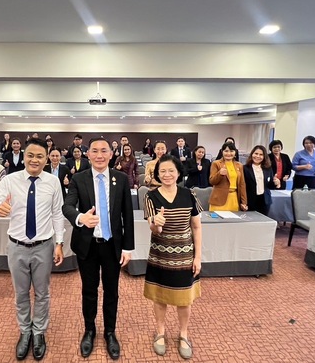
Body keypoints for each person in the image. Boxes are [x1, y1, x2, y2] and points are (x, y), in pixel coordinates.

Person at [0, 138, 65, 361]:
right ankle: (25, 331)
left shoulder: (53, 182)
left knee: (42, 293)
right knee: (21, 294)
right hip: (17, 247)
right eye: (30, 155)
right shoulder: (10, 181)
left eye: (40, 156)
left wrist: (59, 243)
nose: (34, 160)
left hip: (43, 247)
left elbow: (57, 214)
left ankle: (38, 332)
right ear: (23, 157)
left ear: (46, 159)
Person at [62, 138, 135, 360]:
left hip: (112, 246)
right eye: (95, 151)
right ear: (88, 154)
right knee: (89, 290)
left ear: (111, 154)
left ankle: (110, 332)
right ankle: (89, 330)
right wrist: (80, 218)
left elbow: (127, 215)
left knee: (112, 292)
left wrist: (128, 247)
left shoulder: (120, 179)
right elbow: (67, 206)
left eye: (104, 151)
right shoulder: (79, 178)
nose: (100, 155)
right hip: (88, 246)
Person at [144, 155, 202, 359]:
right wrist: (156, 222)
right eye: (162, 171)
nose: (167, 174)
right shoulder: (150, 196)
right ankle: (160, 332)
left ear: (178, 173)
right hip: (160, 255)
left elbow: (196, 227)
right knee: (160, 297)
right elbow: (153, 228)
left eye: (171, 170)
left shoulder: (189, 194)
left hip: (185, 255)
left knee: (184, 299)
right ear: (157, 174)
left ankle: (183, 334)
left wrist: (198, 257)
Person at [209, 142, 247, 211]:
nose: (229, 153)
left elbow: (242, 184)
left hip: (234, 198)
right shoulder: (216, 163)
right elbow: (212, 181)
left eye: (231, 151)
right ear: (222, 152)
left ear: (235, 152)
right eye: (226, 151)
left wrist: (244, 202)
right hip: (219, 199)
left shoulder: (239, 165)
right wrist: (219, 174)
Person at [243, 145, 280, 215]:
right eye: (256, 153)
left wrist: (276, 183)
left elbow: (269, 185)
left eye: (261, 154)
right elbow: (242, 186)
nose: (258, 156)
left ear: (264, 156)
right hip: (250, 201)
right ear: (252, 154)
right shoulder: (245, 168)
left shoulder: (268, 168)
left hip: (265, 201)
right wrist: (243, 202)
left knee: (263, 220)